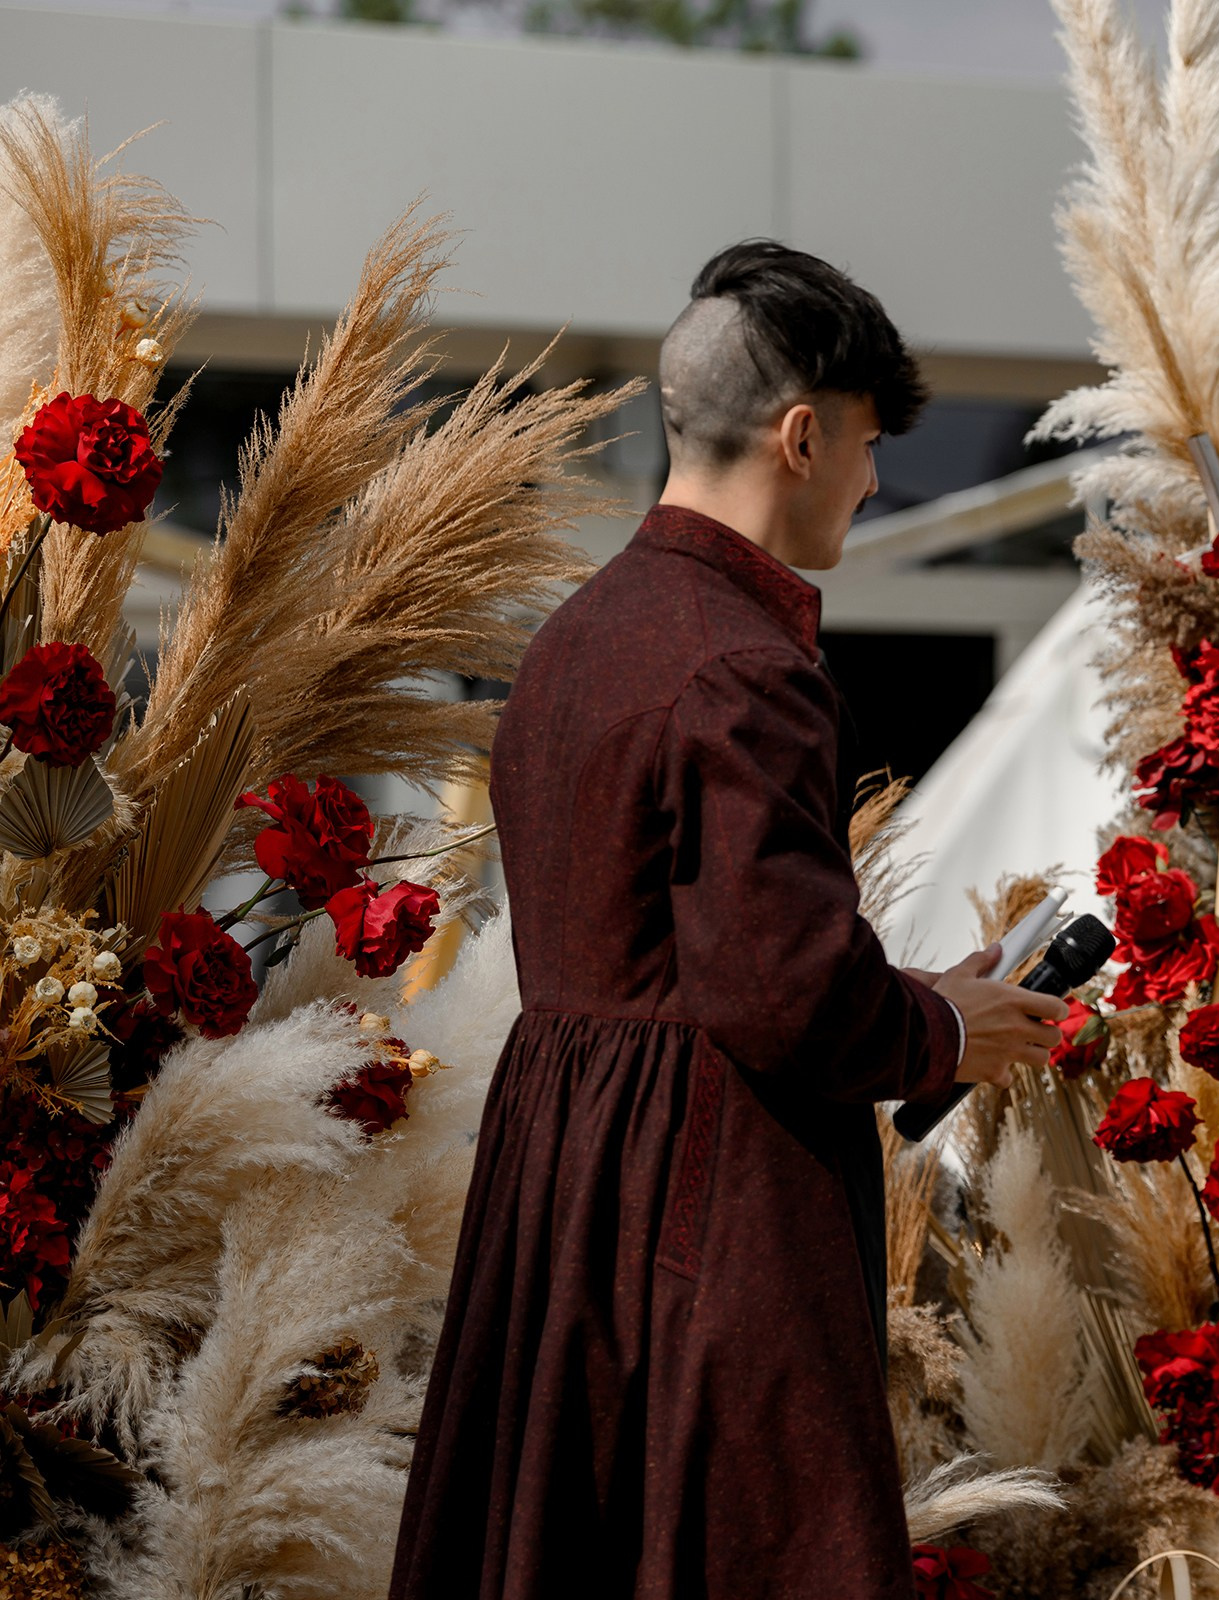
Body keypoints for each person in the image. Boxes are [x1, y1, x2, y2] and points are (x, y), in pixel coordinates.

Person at [389, 241, 1068, 1600]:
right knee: (721, 1546)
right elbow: (784, 996)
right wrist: (941, 1026)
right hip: (711, 1184)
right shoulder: (747, 663)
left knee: (572, 1541)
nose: (877, 485)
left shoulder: (581, 631)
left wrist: (913, 991)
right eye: (873, 446)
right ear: (803, 435)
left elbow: (701, 945)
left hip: (565, 1162)